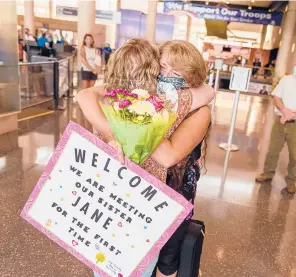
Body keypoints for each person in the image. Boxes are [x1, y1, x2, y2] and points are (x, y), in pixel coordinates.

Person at [77, 39, 213, 277]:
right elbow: (85, 95)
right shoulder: (156, 101)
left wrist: (133, 120)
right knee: (127, 256)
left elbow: (170, 155)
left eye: (178, 71)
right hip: (137, 196)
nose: (169, 75)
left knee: (162, 259)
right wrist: (130, 118)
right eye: (163, 67)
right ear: (152, 69)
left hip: (170, 190)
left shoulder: (127, 101)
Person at [255, 52, 296, 195]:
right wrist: (285, 111)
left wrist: (291, 115)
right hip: (280, 122)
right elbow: (276, 96)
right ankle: (267, 173)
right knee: (273, 150)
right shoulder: (286, 80)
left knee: (295, 155)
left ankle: (291, 181)